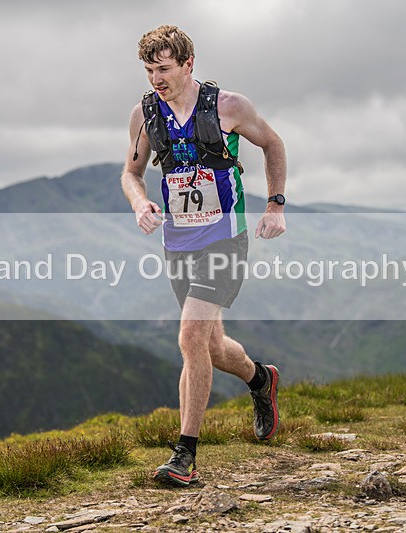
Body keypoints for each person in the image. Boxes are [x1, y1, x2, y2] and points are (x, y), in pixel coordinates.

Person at [120, 24, 287, 486]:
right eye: (150, 69)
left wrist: (276, 205)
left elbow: (273, 144)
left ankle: (184, 455)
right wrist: (139, 202)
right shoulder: (145, 114)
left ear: (189, 64)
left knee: (190, 338)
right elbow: (131, 173)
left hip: (224, 238)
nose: (156, 78)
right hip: (178, 243)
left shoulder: (228, 106)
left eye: (165, 69)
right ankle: (260, 380)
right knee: (211, 347)